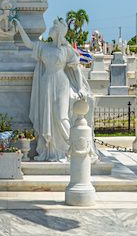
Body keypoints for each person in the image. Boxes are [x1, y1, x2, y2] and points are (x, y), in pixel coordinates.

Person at [14, 18, 92, 161]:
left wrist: (80, 87)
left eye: (54, 26)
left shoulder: (65, 50)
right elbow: (29, 44)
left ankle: (74, 146)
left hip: (61, 82)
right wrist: (19, 27)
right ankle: (49, 151)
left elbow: (77, 70)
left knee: (61, 116)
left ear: (59, 31)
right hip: (46, 82)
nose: (51, 28)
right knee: (46, 116)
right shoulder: (44, 47)